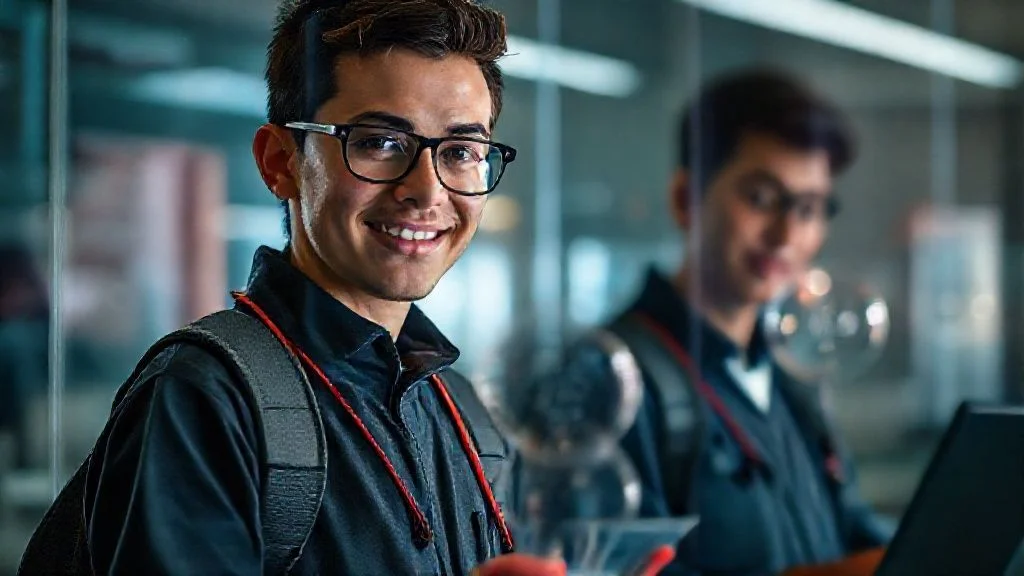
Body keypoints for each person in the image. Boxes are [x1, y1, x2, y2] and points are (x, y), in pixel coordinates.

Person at [39, 1, 654, 574]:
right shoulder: (206, 398)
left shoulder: (463, 414)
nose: (428, 190)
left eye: (463, 150)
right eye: (381, 143)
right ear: (281, 161)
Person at [537, 68, 894, 575]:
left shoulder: (793, 380)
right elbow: (607, 567)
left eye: (810, 208)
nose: (787, 232)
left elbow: (855, 529)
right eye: (762, 198)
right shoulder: (608, 377)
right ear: (686, 199)